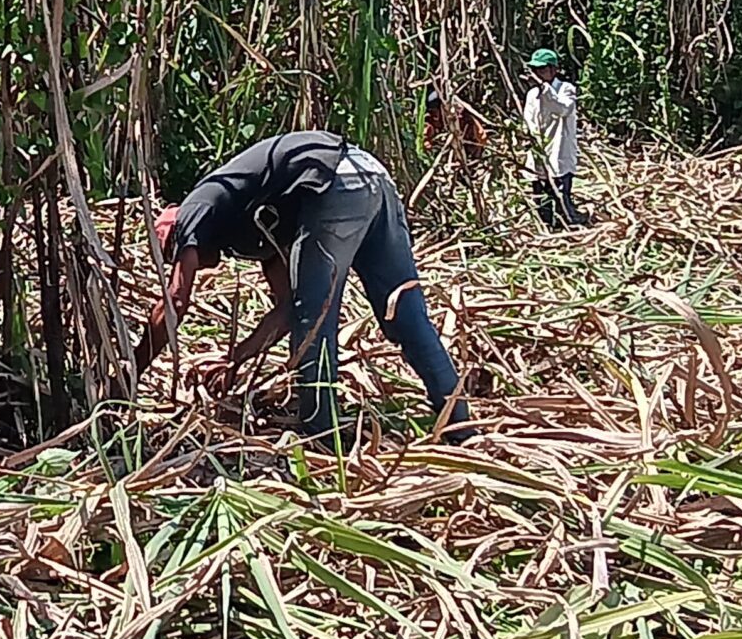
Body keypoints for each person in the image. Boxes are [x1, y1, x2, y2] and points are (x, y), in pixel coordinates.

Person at [135, 130, 475, 445]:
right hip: (371, 175)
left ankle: (322, 435)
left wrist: (133, 369)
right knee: (406, 314)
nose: (184, 260)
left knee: (314, 321)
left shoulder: (196, 208)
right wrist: (234, 359)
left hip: (334, 180)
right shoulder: (249, 225)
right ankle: (459, 425)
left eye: (174, 253)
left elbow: (175, 301)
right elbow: (285, 309)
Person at [521, 49, 589, 228]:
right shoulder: (531, 95)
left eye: (542, 69)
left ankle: (568, 220)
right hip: (539, 147)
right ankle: (545, 223)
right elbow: (528, 119)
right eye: (535, 70)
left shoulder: (566, 89)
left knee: (560, 189)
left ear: (554, 70)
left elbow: (563, 109)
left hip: (559, 146)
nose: (538, 74)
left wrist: (545, 89)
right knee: (540, 188)